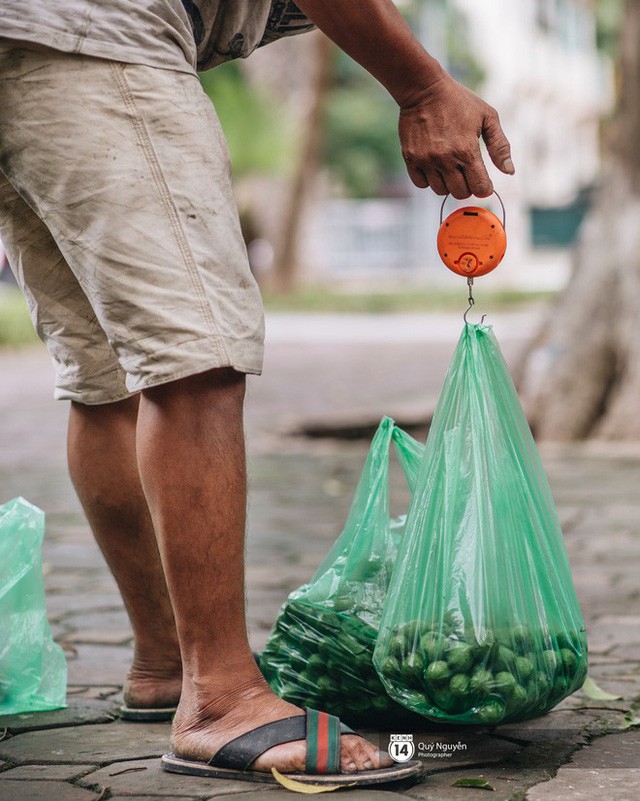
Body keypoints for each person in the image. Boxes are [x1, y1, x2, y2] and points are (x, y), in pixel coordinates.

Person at [0, 0, 513, 787]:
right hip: (97, 33)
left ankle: (169, 661)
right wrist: (420, 87)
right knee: (195, 351)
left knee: (106, 368)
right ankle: (220, 699)